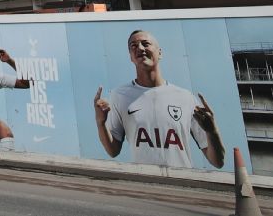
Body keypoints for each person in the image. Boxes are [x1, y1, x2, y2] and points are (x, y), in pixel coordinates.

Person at [92, 29, 225, 168]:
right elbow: (112, 151)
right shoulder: (119, 96)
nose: (140, 48)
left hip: (182, 182)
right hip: (145, 184)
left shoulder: (185, 98)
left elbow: (217, 161)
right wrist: (100, 123)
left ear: (160, 53)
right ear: (131, 57)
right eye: (134, 46)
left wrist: (212, 131)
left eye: (146, 43)